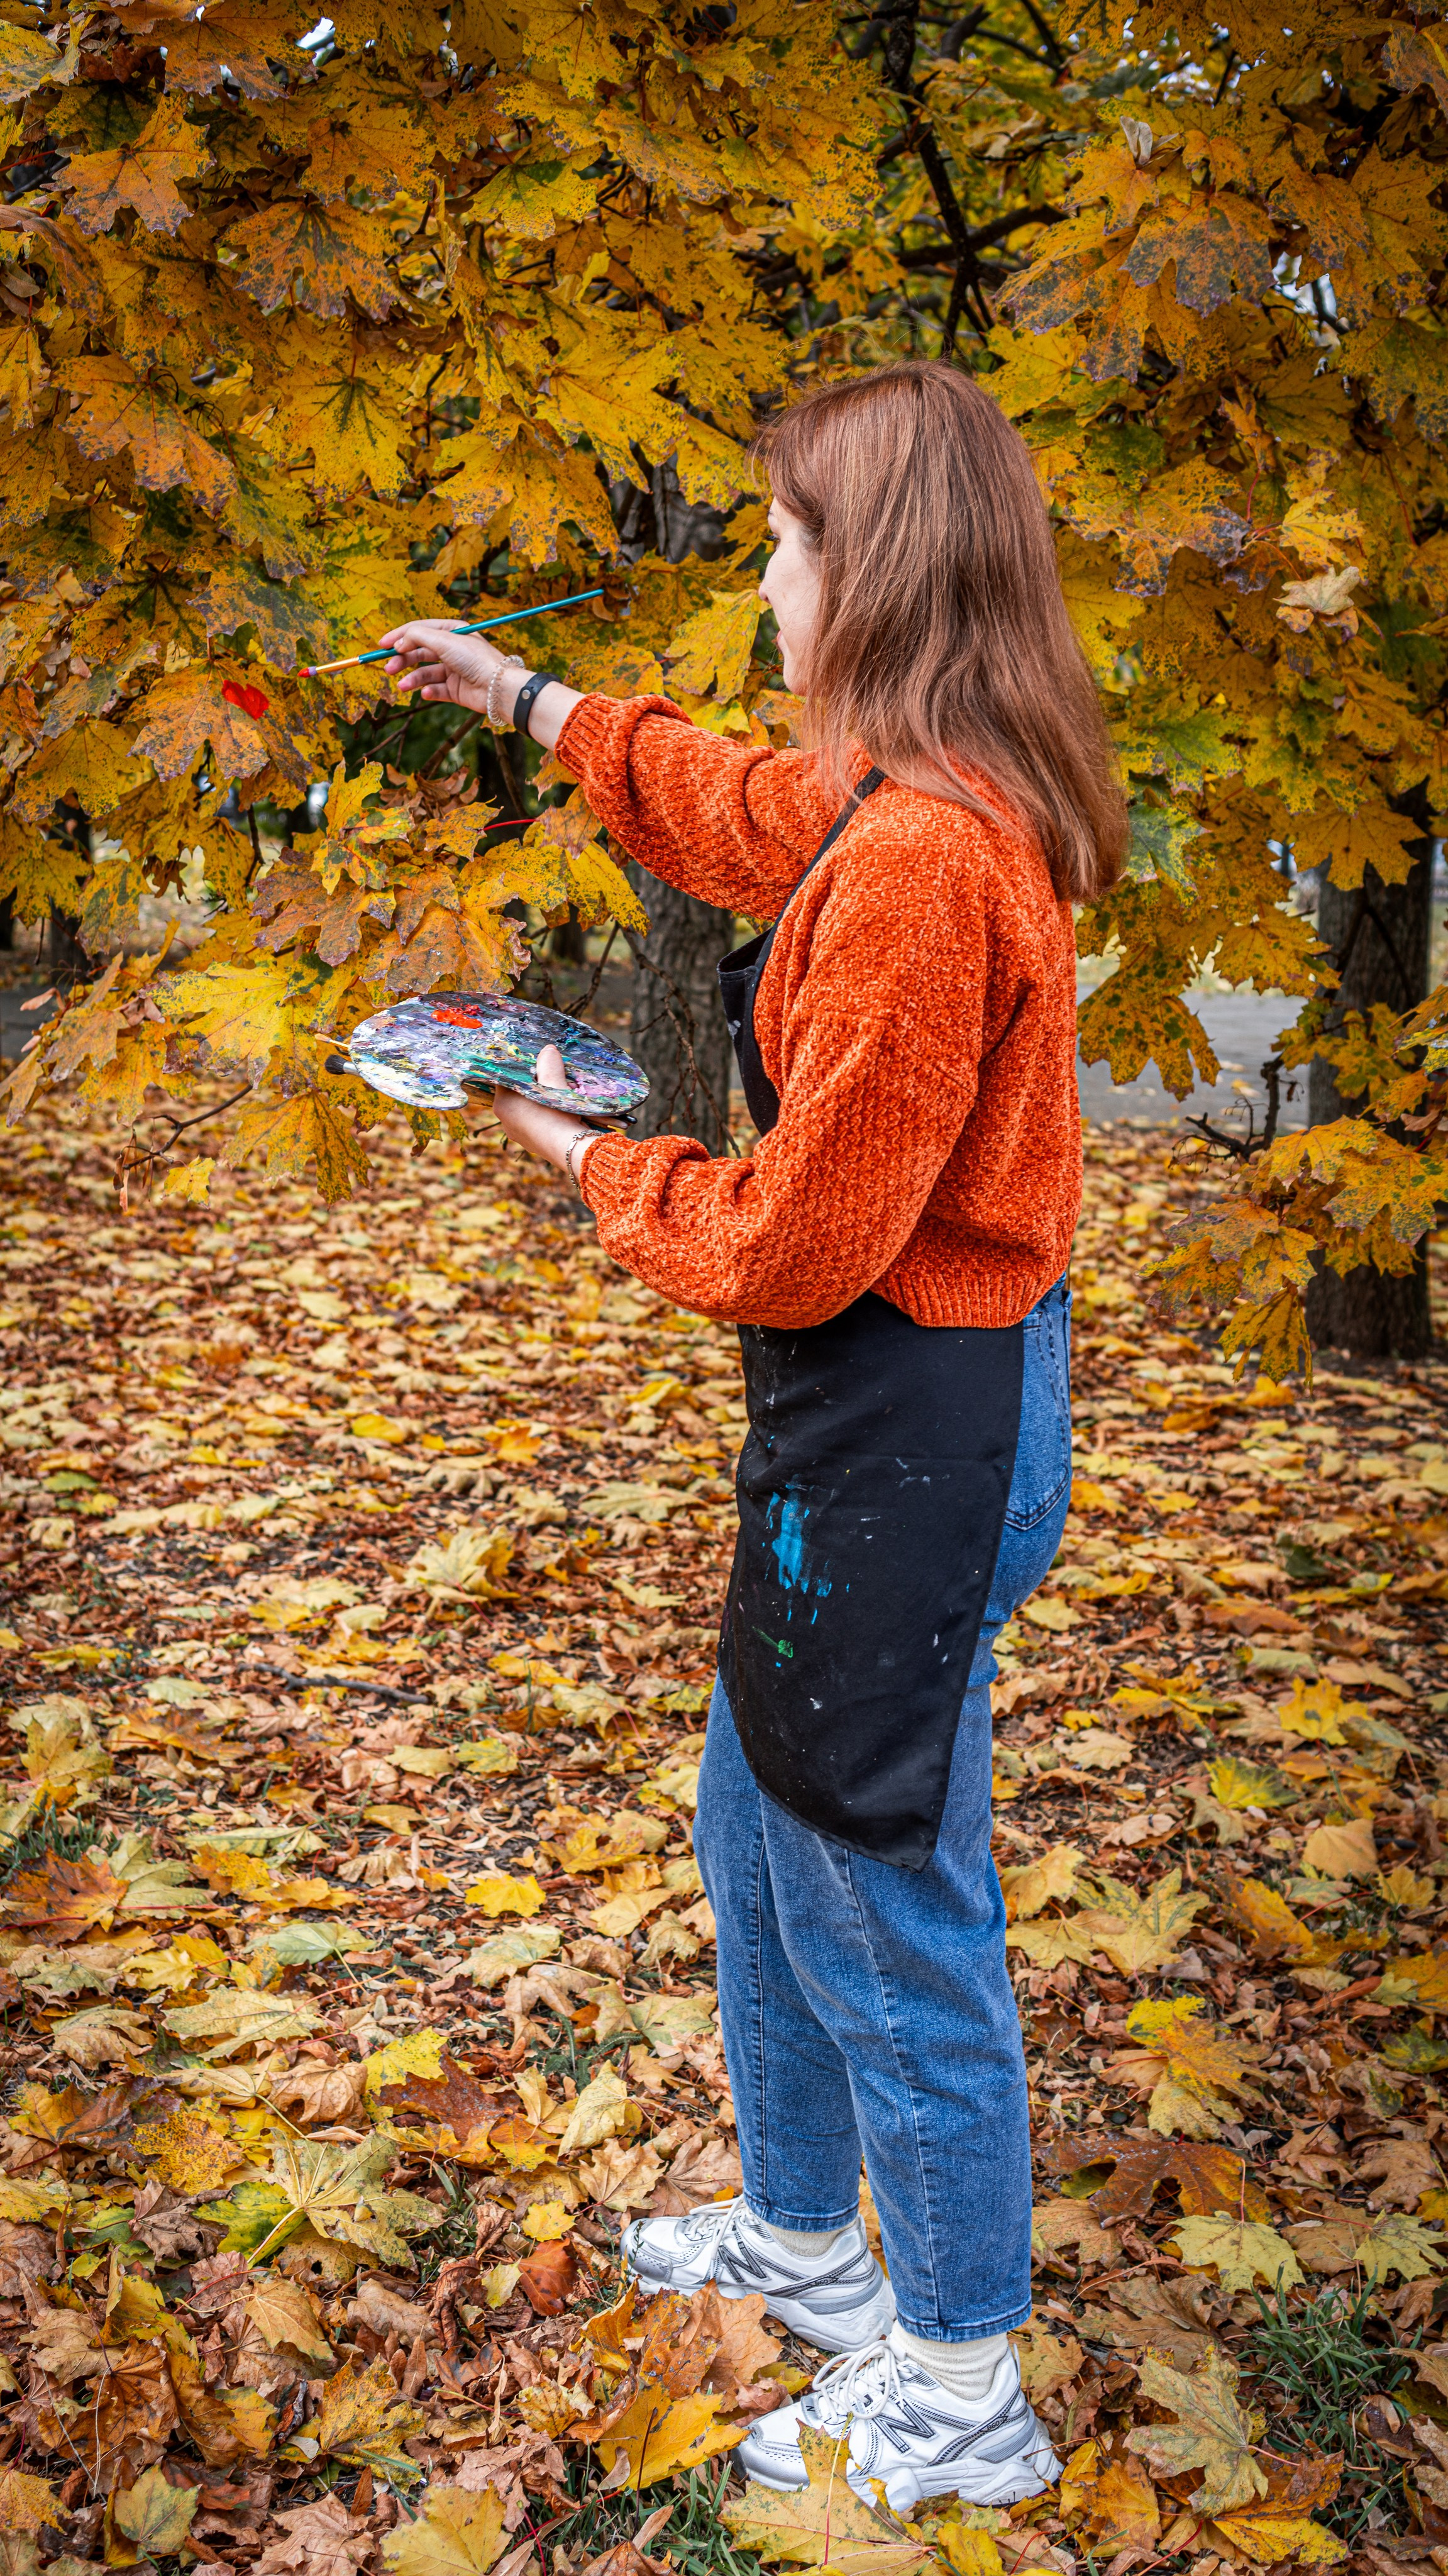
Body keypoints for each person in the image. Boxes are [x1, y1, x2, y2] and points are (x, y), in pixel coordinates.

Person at [380, 358, 1126, 2512]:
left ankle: (959, 2384)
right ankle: (810, 2249)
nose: (764, 589)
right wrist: (529, 707)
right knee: (759, 1836)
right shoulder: (909, 795)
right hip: (871, 1420)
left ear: (872, 569)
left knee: (886, 1891)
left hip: (915, 1420)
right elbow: (730, 809)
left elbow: (801, 1242)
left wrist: (579, 1159)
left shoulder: (925, 863)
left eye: (786, 546)